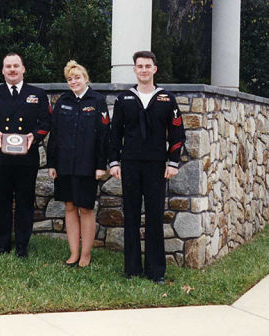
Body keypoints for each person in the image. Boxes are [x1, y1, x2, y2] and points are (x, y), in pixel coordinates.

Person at [109, 50, 186, 283]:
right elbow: (115, 134)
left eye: (147, 66)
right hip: (130, 164)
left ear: (154, 69)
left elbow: (177, 133)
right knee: (131, 215)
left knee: (154, 217)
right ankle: (132, 270)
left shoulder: (166, 99)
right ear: (134, 70)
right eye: (139, 66)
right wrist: (114, 162)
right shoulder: (124, 99)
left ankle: (155, 271)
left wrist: (173, 162)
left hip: (156, 165)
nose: (143, 70)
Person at [0, 53, 51, 258]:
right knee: (1, 201)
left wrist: (34, 137)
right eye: (8, 66)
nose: (12, 69)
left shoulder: (37, 94)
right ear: (2, 70)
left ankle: (22, 245)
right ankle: (1, 244)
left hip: (26, 158)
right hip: (0, 158)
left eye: (16, 66)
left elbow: (45, 123)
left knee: (25, 202)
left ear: (23, 69)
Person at [47, 61, 109, 268]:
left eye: (77, 77)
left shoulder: (98, 101)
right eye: (70, 79)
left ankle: (86, 254)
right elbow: (54, 134)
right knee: (70, 206)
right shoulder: (63, 101)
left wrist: (101, 164)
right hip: (64, 164)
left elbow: (103, 135)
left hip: (88, 165)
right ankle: (73, 253)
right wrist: (51, 163)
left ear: (86, 78)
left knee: (86, 208)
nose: (74, 82)